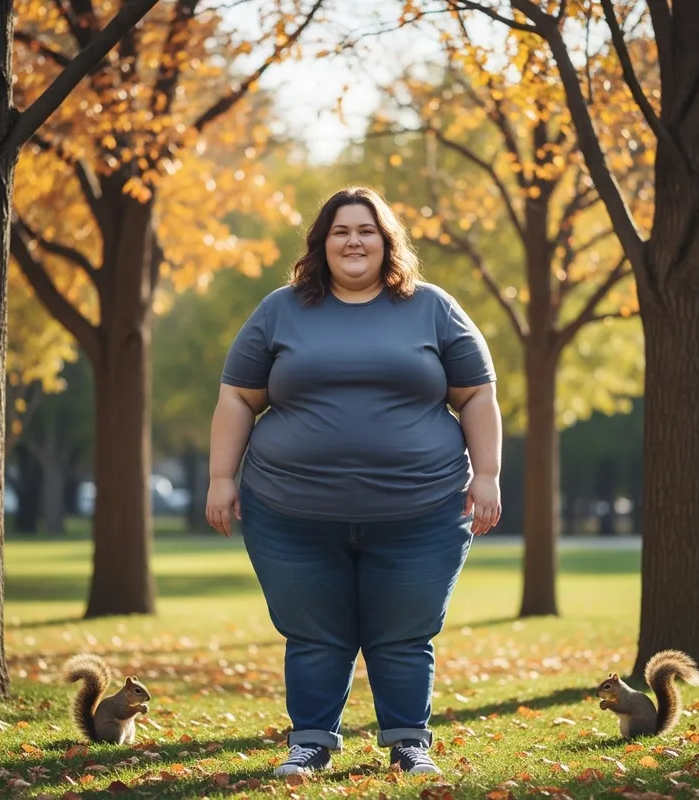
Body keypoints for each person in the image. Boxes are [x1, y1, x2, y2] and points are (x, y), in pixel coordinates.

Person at [205, 186, 502, 777]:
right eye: (340, 231)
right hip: (290, 513)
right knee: (314, 633)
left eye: (366, 230)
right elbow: (238, 397)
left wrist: (489, 474)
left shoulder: (433, 308)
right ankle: (310, 743)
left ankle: (409, 743)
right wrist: (220, 477)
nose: (353, 242)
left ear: (387, 242)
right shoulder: (281, 310)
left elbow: (476, 395)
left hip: (422, 511)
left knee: (405, 633)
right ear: (322, 244)